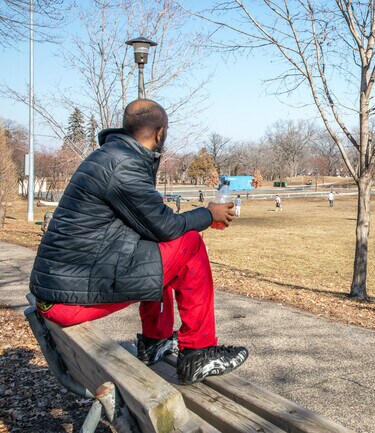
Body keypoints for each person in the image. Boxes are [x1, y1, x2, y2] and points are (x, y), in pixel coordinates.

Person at [29, 99, 248, 385]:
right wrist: (208, 214)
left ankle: (156, 340)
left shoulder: (111, 156)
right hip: (67, 298)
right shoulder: (122, 165)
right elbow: (167, 227)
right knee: (189, 243)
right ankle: (198, 351)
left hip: (60, 288)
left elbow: (152, 229)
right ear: (160, 133)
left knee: (161, 251)